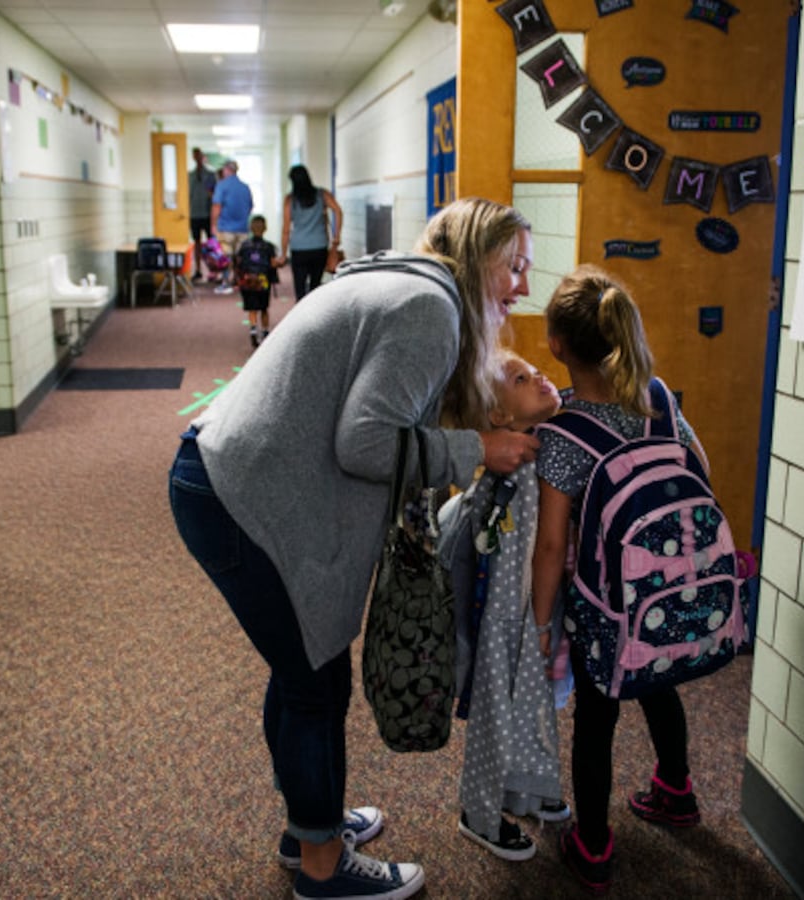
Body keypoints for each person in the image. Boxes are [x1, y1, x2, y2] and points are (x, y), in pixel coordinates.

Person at [168, 197, 539, 900]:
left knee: (302, 664)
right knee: (315, 680)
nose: (523, 286)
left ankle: (310, 824)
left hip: (230, 479)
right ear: (477, 258)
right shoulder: (432, 310)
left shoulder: (403, 279)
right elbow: (364, 440)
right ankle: (321, 868)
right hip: (241, 499)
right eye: (514, 267)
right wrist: (478, 450)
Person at [529, 265, 711, 894]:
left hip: (602, 604)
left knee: (597, 718)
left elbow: (552, 544)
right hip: (667, 591)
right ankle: (676, 789)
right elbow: (700, 470)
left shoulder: (564, 432)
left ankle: (594, 844)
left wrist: (541, 620)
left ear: (557, 345)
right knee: (660, 686)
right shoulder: (657, 398)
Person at [439, 350, 570, 863]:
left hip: (531, 612)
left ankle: (526, 789)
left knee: (535, 701)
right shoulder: (506, 477)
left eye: (534, 368)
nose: (537, 375)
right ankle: (480, 811)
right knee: (498, 709)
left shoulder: (544, 447)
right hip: (500, 619)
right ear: (500, 418)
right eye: (520, 378)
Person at [280, 164, 344, 301]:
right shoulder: (322, 194)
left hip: (298, 248)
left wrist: (283, 254)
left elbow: (286, 230)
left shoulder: (290, 200)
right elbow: (338, 211)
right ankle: (315, 316)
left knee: (300, 286)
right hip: (319, 246)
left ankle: (301, 317)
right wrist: (336, 236)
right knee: (315, 285)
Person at [235, 214, 284, 348]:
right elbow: (273, 263)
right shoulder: (268, 247)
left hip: (248, 281)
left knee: (252, 308)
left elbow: (238, 262)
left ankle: (253, 330)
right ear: (265, 229)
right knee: (264, 308)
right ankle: (266, 332)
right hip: (263, 281)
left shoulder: (244, 246)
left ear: (250, 228)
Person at [211, 159, 254, 293]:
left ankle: (225, 282)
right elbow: (250, 206)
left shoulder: (221, 186)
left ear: (228, 170)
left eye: (223, 169)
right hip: (242, 228)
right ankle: (239, 281)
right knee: (240, 257)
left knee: (226, 257)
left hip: (226, 228)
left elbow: (217, 206)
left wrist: (213, 225)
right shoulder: (245, 187)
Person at [188, 148, 217, 281]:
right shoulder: (190, 175)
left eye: (199, 156)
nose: (197, 158)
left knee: (211, 243)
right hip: (194, 214)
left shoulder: (211, 175)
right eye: (195, 156)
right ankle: (198, 270)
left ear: (202, 157)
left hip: (207, 214)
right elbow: (188, 196)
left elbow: (215, 195)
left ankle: (213, 270)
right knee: (197, 243)